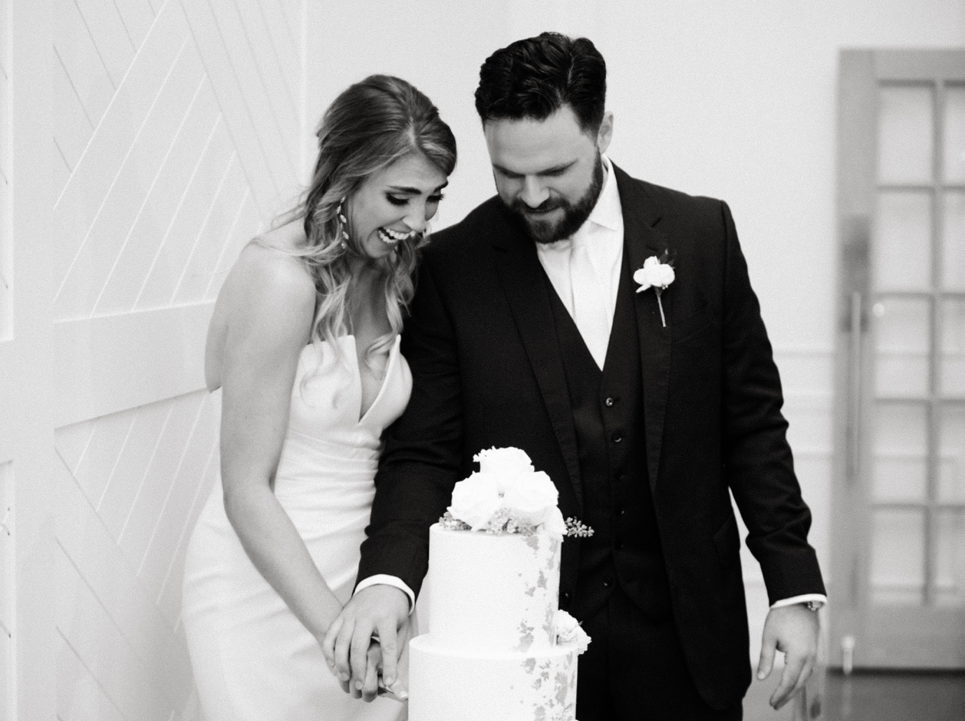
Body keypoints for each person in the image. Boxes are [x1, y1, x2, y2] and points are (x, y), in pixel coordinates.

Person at [324, 33, 827, 720]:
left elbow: (753, 425)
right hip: (523, 640)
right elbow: (423, 450)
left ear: (604, 131)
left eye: (554, 170)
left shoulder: (701, 235)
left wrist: (792, 587)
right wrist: (388, 580)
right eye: (507, 173)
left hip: (684, 636)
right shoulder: (451, 267)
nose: (529, 196)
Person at [181, 74, 456, 721]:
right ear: (347, 175)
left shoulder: (394, 270)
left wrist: (374, 604)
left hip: (361, 582)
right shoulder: (281, 278)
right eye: (399, 196)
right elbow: (245, 486)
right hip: (265, 594)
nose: (417, 222)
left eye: (433, 199)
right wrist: (336, 631)